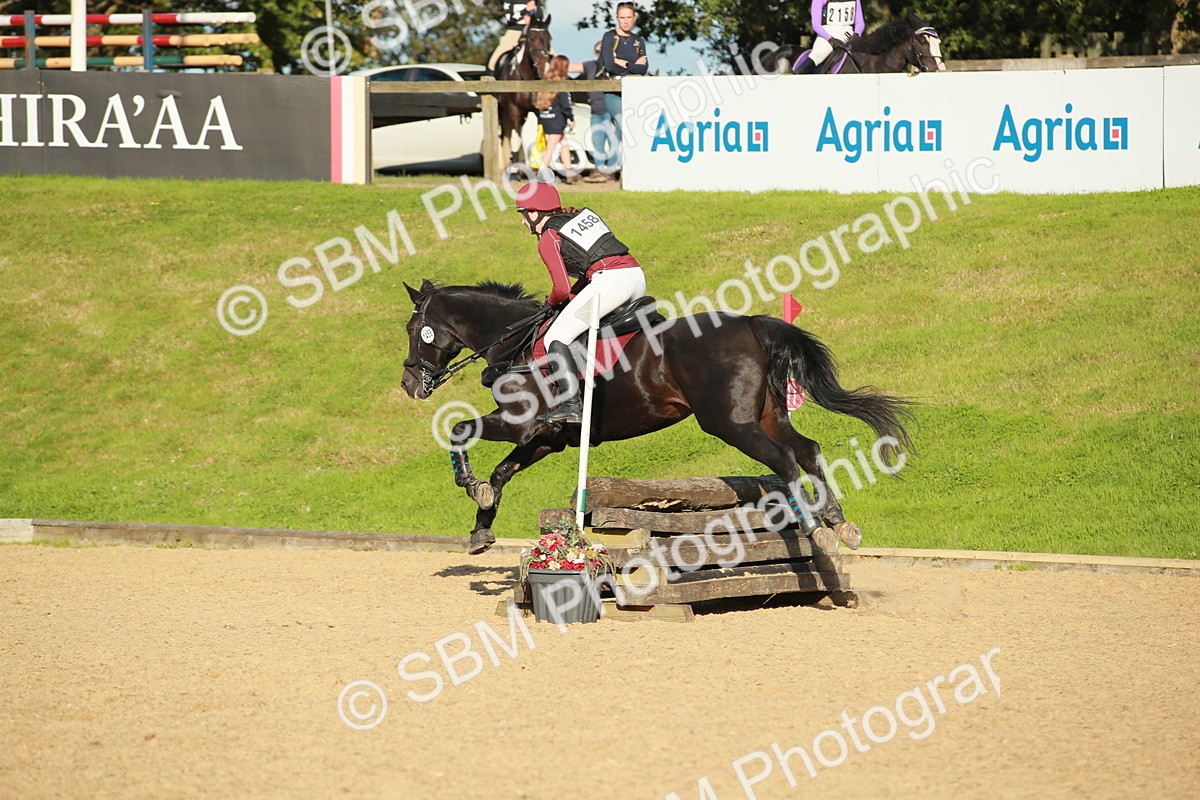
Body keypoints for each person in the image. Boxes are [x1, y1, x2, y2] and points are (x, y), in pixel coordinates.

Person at [514, 181, 645, 425]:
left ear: (535, 212)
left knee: (556, 337)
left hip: (610, 283)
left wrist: (549, 303)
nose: (522, 222)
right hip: (636, 277)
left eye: (523, 214)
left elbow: (561, 288)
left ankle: (571, 405)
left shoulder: (548, 237)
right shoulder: (579, 217)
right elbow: (586, 274)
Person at [598, 2, 648, 177]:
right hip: (613, 89)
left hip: (634, 90)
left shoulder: (638, 41)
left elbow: (644, 69)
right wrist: (633, 65)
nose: (626, 21)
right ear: (617, 18)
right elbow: (610, 65)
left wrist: (625, 63)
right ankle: (613, 167)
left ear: (634, 19)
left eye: (629, 17)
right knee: (622, 124)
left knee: (633, 127)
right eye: (622, 18)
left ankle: (629, 168)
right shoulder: (609, 37)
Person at [569, 42, 619, 183]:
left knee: (613, 140)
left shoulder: (616, 67)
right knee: (597, 141)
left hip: (611, 110)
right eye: (598, 51)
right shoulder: (590, 65)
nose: (600, 54)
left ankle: (611, 170)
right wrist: (551, 57)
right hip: (596, 110)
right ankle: (600, 169)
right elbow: (570, 67)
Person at [534, 55, 579, 184]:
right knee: (550, 148)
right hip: (557, 121)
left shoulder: (545, 82)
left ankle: (569, 170)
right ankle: (541, 173)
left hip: (546, 119)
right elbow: (565, 105)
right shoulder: (561, 84)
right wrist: (571, 118)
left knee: (564, 143)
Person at [796, 0, 865, 74]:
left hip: (848, 34)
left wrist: (857, 34)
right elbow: (816, 25)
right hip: (827, 34)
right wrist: (830, 39)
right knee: (818, 54)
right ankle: (798, 73)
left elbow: (860, 22)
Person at [488, 0, 544, 74]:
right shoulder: (510, 1)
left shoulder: (537, 1)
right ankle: (490, 73)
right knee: (496, 56)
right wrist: (526, 10)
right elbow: (510, 17)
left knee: (549, 52)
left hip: (532, 32)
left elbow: (541, 17)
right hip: (515, 31)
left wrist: (532, 19)